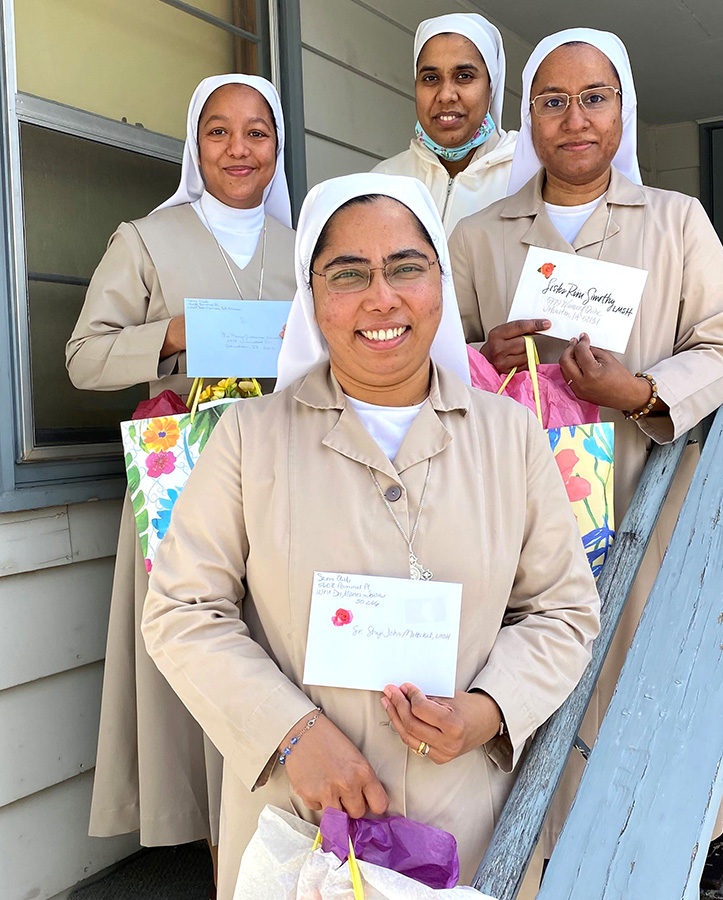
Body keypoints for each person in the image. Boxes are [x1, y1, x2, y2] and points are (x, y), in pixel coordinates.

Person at [140, 172, 601, 900]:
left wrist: (488, 709)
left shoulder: (509, 436)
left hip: (467, 825)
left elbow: (565, 611)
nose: (381, 297)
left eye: (407, 267)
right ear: (312, 298)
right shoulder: (249, 439)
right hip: (300, 825)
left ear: (440, 286)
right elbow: (180, 611)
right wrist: (291, 732)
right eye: (348, 274)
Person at [448, 29, 723, 856]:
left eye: (594, 98)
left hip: (640, 488)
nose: (574, 119)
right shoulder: (479, 236)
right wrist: (484, 356)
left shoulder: (677, 222)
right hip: (515, 506)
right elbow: (442, 367)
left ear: (624, 111)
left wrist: (641, 392)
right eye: (552, 102)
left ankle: (670, 841)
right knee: (530, 663)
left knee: (646, 660)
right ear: (528, 118)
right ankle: (542, 850)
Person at [65, 74, 297, 858]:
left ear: (278, 147)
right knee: (198, 650)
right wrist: (166, 334)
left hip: (286, 482)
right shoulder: (147, 238)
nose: (239, 149)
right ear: (196, 147)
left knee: (275, 654)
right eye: (219, 132)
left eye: (257, 133)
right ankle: (208, 842)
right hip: (182, 484)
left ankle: (272, 836)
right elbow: (84, 358)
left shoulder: (304, 249)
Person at [373, 13, 517, 236]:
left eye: (464, 76)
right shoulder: (384, 181)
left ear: (491, 87)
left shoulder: (529, 173)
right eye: (431, 78)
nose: (446, 95)